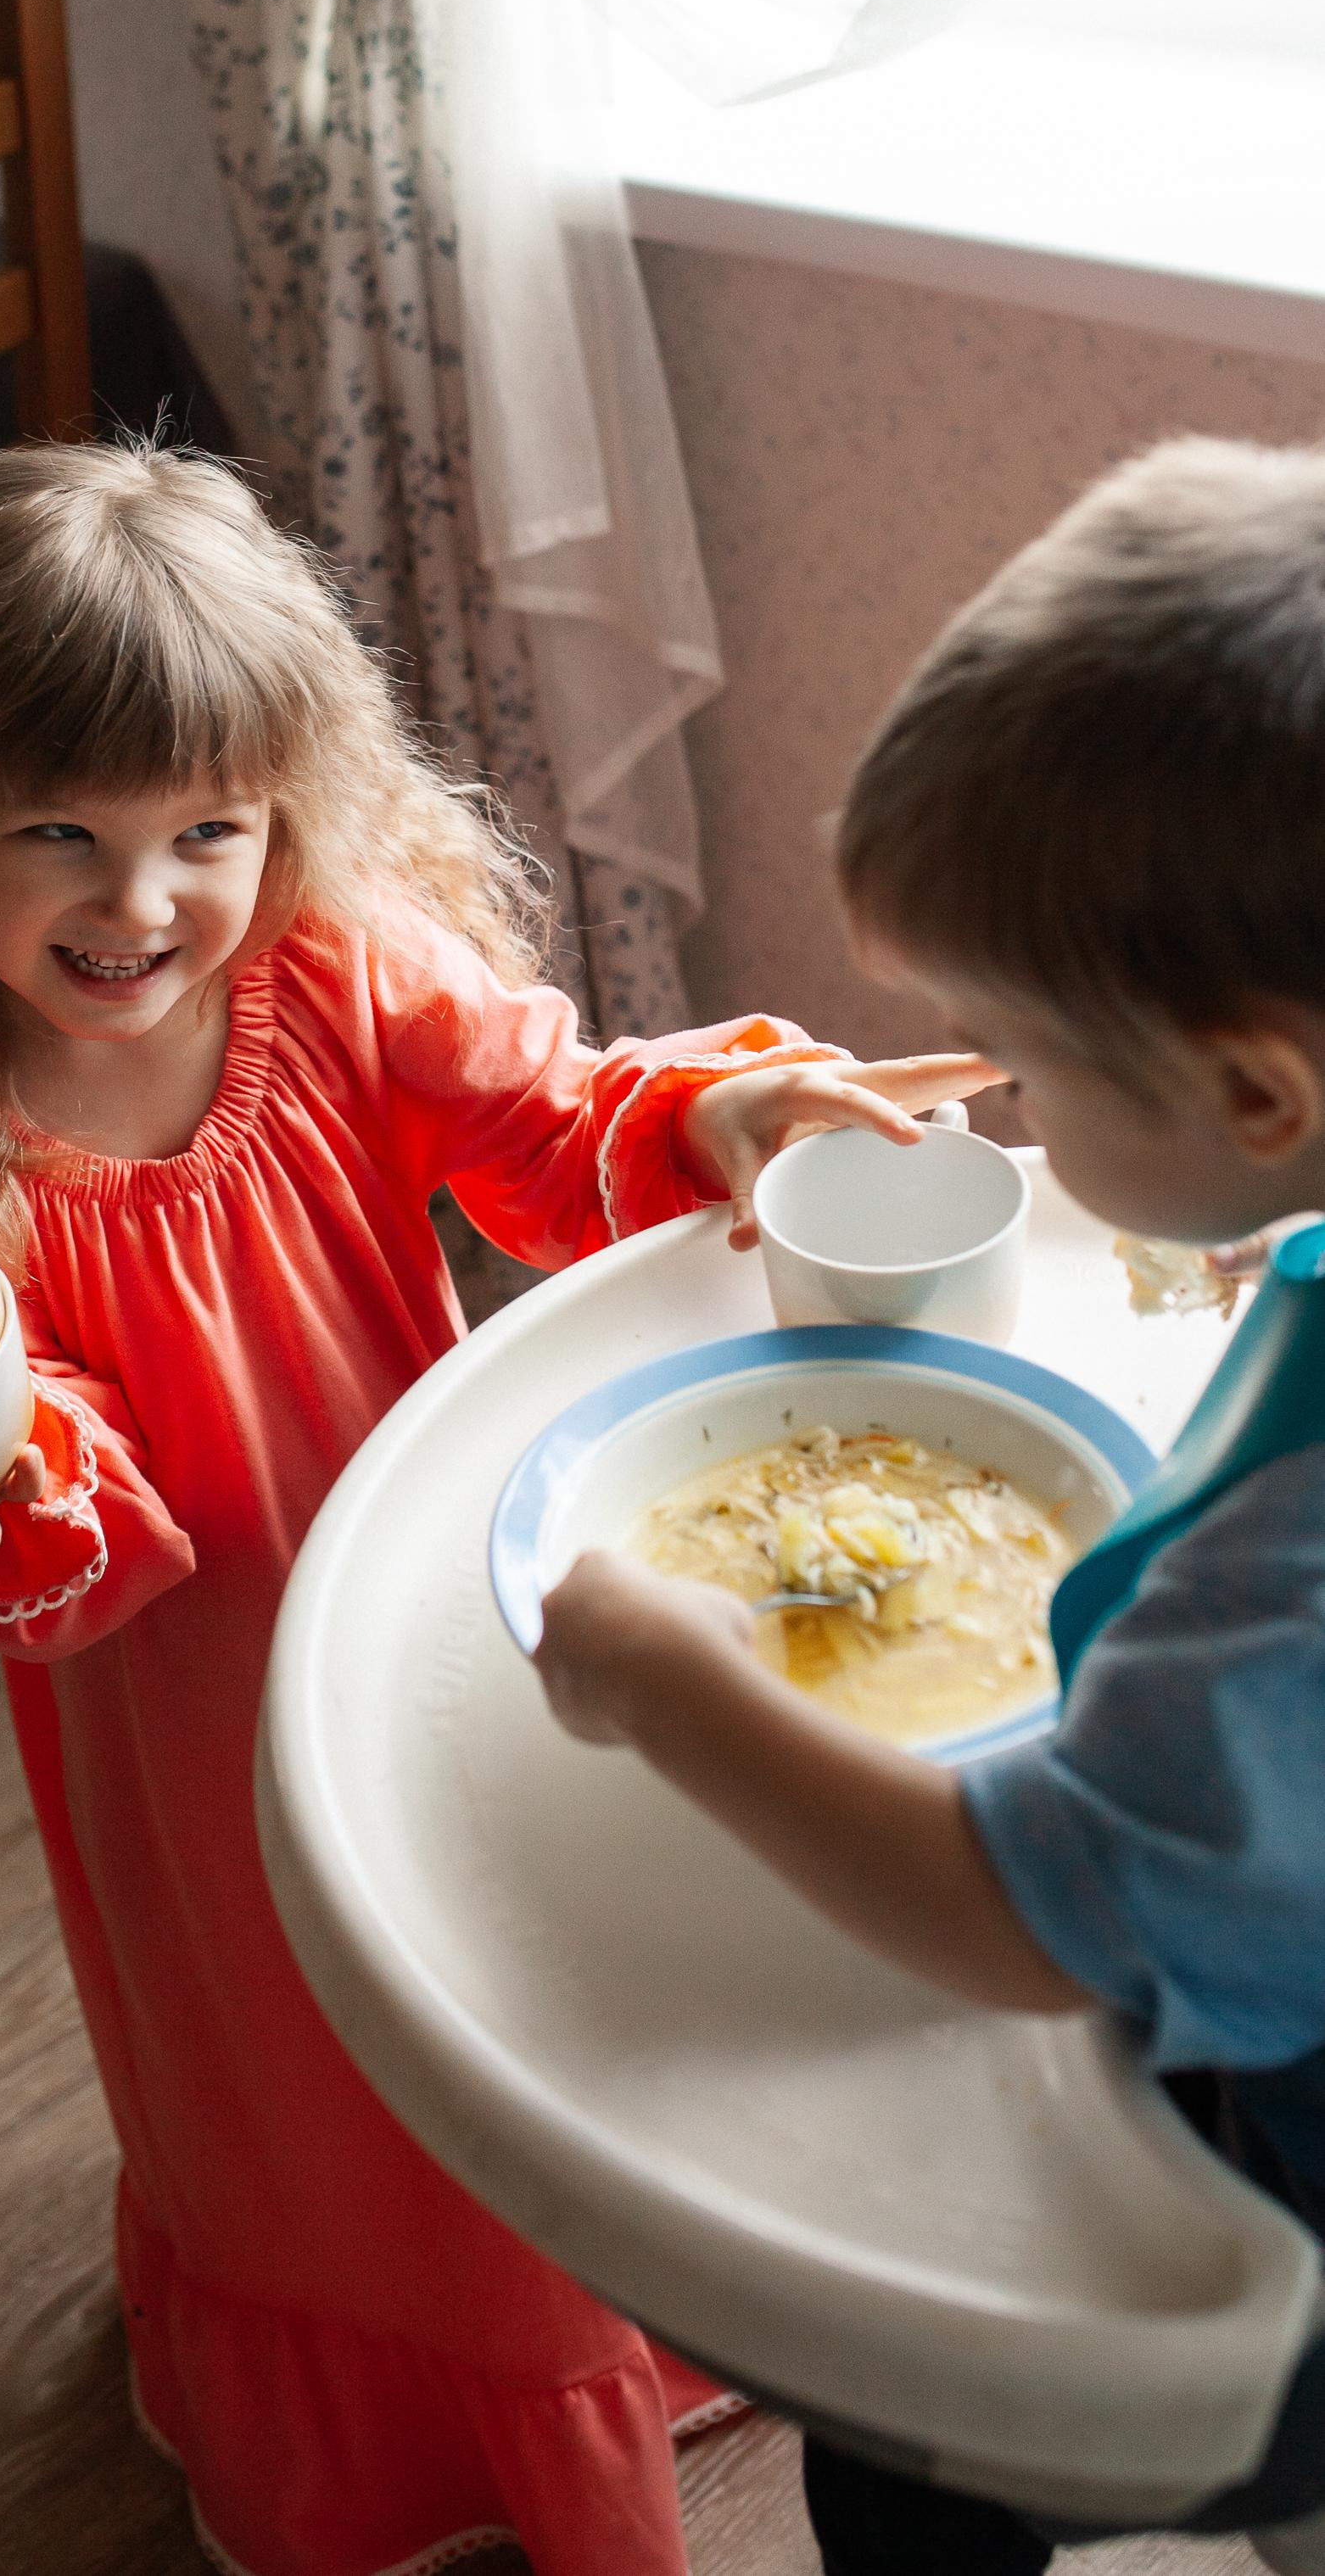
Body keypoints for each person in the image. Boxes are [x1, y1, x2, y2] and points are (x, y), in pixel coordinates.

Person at [0, 439, 989, 2576]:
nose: (139, 905)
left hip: (429, 1603)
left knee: (497, 1971)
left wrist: (728, 1109)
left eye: (202, 833)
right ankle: (401, 2419)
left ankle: (568, 2317)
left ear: (281, 812)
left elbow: (545, 1125)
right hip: (194, 1706)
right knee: (289, 2079)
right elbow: (73, 1522)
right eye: (60, 836)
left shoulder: (325, 974)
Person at [533, 434, 1325, 2575]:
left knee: (904, 2415)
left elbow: (997, 1916)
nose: (990, 1099)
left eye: (1028, 1065)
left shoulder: (1293, 1592)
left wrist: (672, 1673)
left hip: (1281, 2239)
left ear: (1262, 1092)